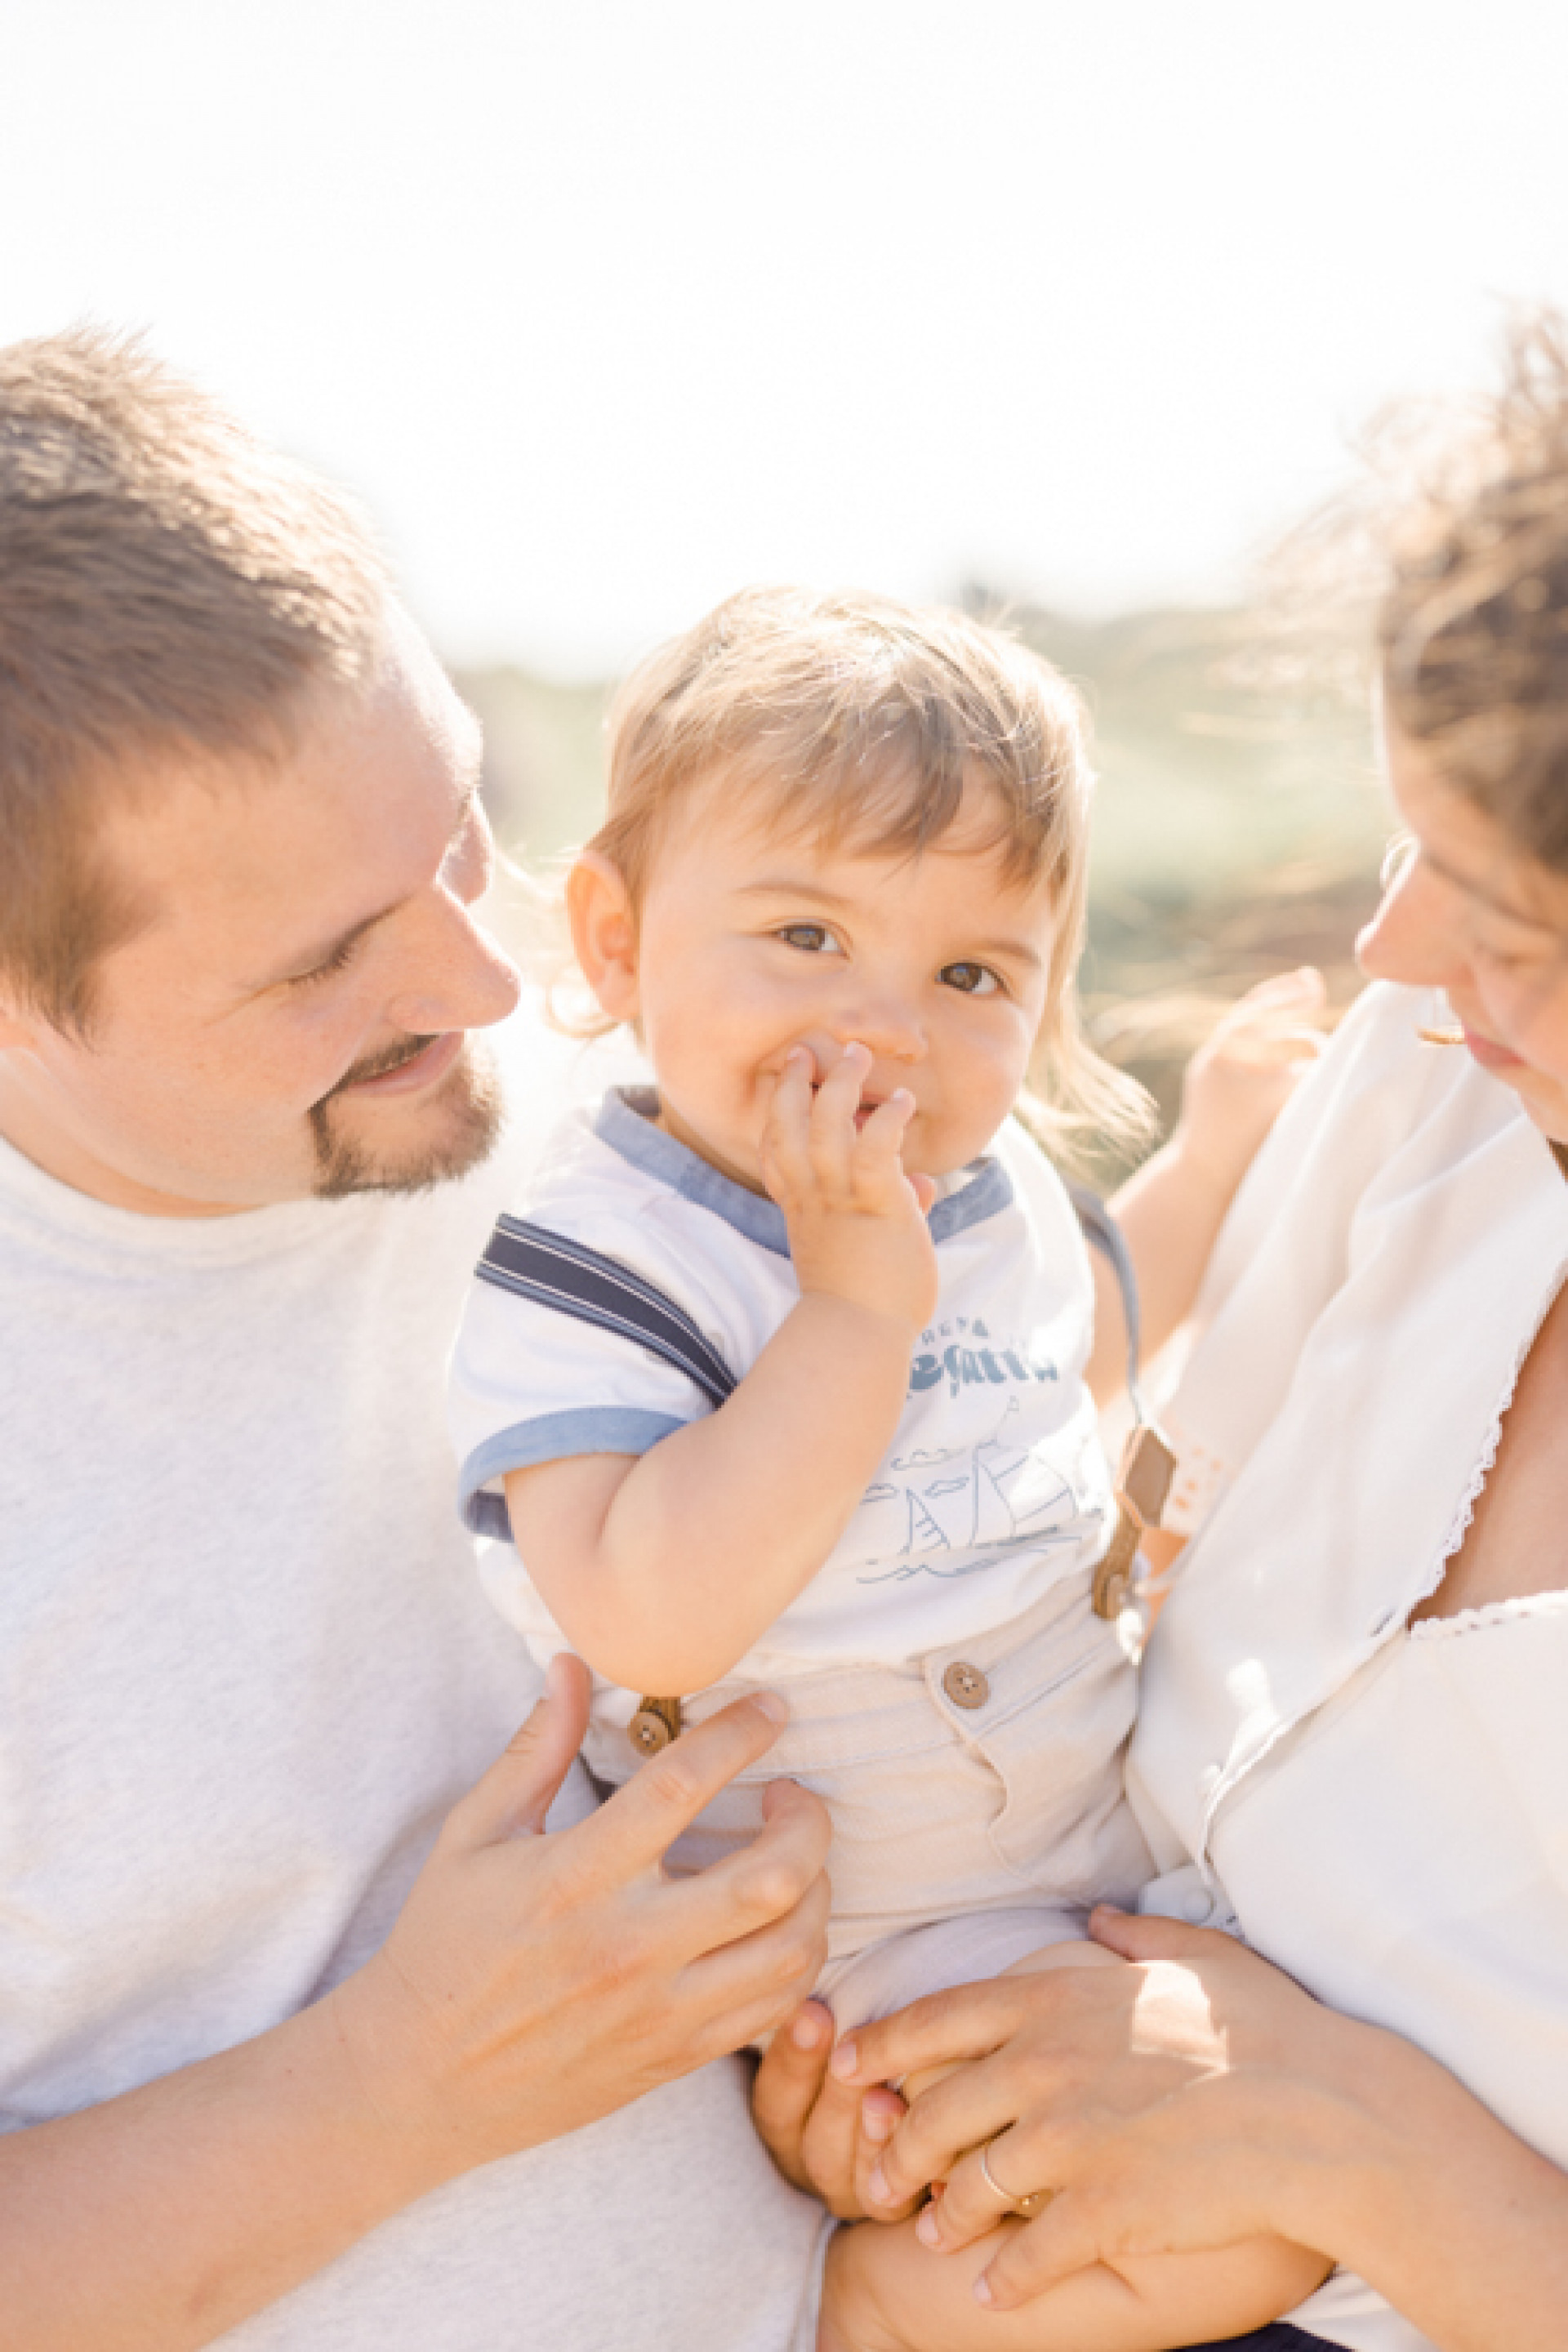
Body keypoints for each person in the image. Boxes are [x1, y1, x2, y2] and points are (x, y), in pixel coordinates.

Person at [0, 327, 841, 2350]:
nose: (489, 973)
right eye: (323, 967)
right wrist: (401, 2086)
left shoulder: (636, 1076)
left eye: (459, 828)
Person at [757, 323, 1568, 2352]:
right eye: (1408, 855)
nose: (1393, 954)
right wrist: (910, 2031)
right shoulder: (1430, 1077)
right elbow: (1112, 1550)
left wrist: (1346, 2147)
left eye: (1515, 919)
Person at [448, 586, 1333, 2347]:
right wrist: (849, 1309)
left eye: (970, 974)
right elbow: (654, 1610)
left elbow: (1066, 1353)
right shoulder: (601, 1258)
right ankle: (873, 2315)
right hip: (877, 1947)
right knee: (1256, 2231)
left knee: (1367, 2087)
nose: (886, 1028)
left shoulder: (979, 1188)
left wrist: (1217, 1167)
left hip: (1117, 1836)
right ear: (617, 944)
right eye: (803, 935)